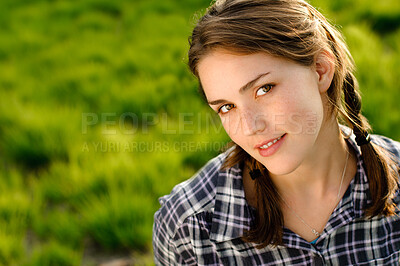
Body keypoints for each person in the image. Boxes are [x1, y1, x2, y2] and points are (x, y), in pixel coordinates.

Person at [153, 0, 400, 264]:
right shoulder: (188, 229)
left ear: (320, 70)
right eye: (227, 107)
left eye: (264, 89)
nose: (250, 127)